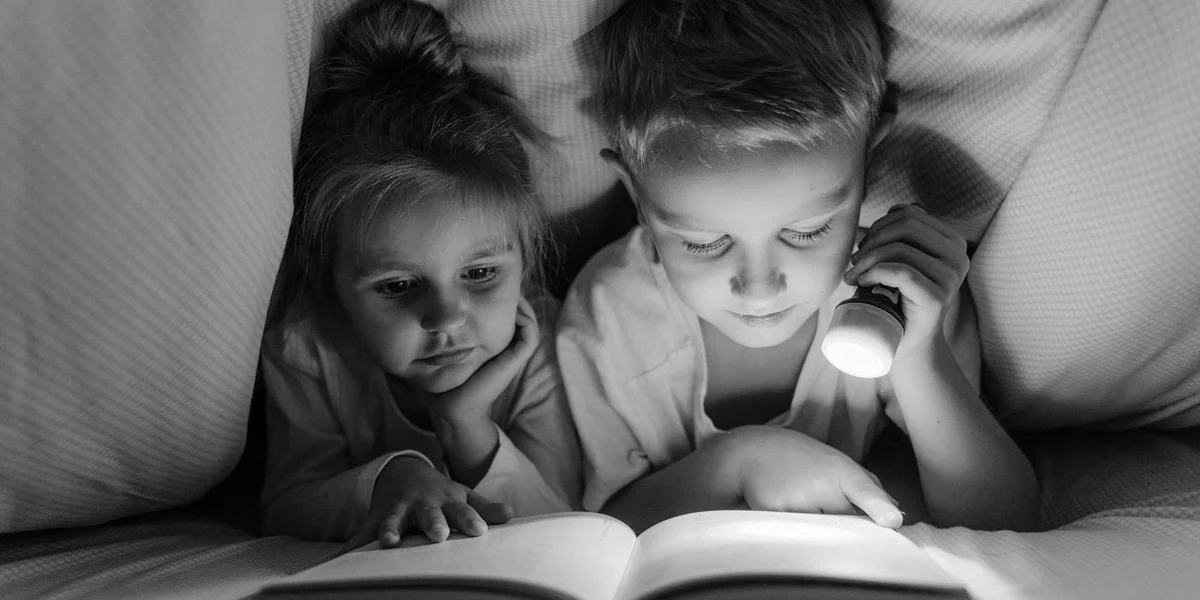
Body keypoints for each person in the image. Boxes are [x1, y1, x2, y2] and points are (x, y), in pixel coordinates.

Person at [558, 0, 1038, 534]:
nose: (760, 289)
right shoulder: (608, 317)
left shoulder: (899, 294)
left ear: (869, 159)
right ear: (636, 194)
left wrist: (920, 355)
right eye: (703, 243)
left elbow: (1002, 518)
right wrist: (739, 462)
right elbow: (605, 527)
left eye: (807, 231)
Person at [259, 0, 581, 548]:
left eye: (480, 272)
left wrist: (463, 422)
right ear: (330, 286)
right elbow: (285, 507)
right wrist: (391, 476)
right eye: (397, 286)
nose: (446, 316)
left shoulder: (543, 337)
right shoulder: (308, 345)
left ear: (524, 263)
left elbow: (565, 520)